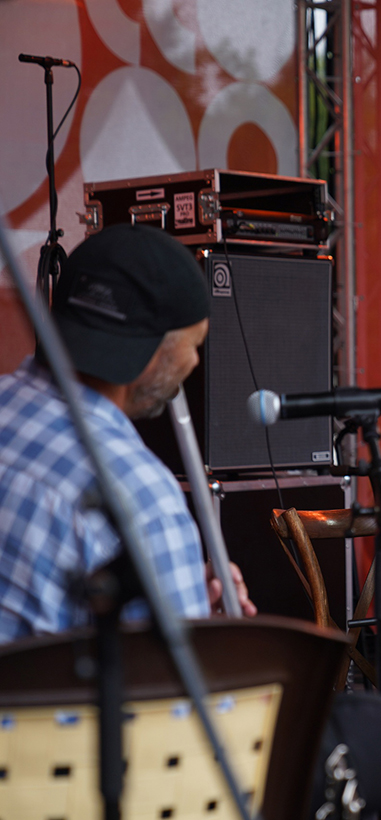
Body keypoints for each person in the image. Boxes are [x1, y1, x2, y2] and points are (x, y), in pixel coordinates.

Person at [0, 223, 255, 644]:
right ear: (150, 357)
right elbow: (176, 699)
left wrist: (181, 589)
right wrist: (217, 639)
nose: (194, 363)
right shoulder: (142, 497)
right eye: (194, 345)